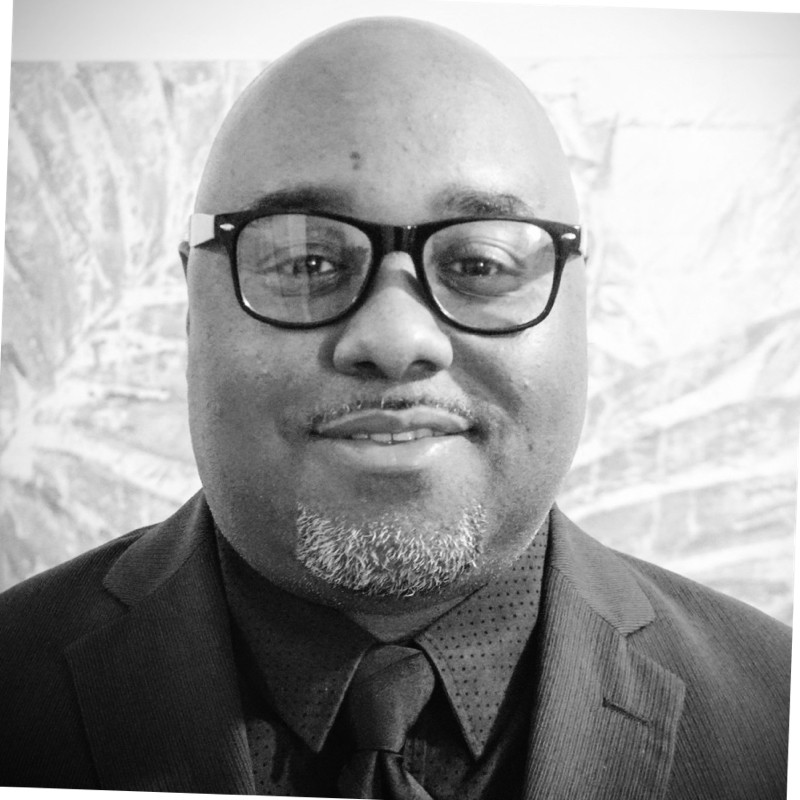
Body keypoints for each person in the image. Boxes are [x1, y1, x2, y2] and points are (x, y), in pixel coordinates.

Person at [0, 17, 790, 800]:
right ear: (191, 305)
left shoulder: (779, 719)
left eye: (480, 264)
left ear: (583, 303)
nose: (394, 337)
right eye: (306, 261)